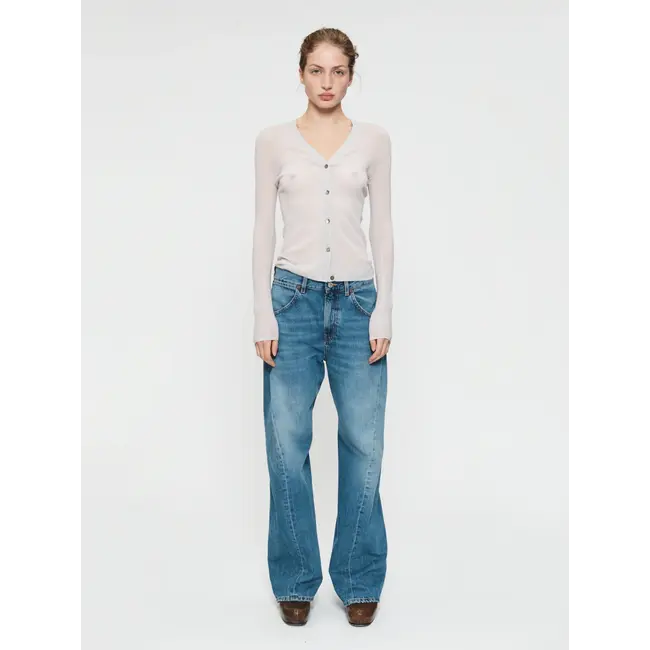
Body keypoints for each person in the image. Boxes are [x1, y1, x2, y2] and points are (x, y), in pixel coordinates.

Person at [252, 27, 394, 627]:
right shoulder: (273, 141)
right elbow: (263, 227)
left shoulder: (375, 141)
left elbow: (382, 226)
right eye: (317, 70)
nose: (327, 82)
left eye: (338, 71)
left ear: (351, 76)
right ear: (301, 74)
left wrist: (385, 309)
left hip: (359, 304)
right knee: (287, 445)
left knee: (364, 443)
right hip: (293, 301)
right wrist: (263, 311)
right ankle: (295, 580)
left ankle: (359, 578)